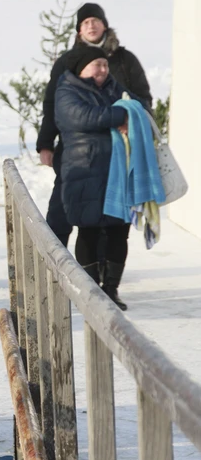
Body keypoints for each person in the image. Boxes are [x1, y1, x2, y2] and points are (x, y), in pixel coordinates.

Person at [37, 2, 152, 248]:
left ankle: (102, 267)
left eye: (95, 20)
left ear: (104, 25)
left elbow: (143, 98)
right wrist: (45, 142)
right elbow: (52, 104)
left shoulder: (124, 59)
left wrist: (133, 120)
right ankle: (52, 260)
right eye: (85, 22)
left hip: (119, 150)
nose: (91, 25)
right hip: (77, 149)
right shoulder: (68, 61)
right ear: (79, 30)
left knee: (111, 217)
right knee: (62, 209)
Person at [54, 46, 148, 311]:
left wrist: (132, 112)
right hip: (84, 172)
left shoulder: (114, 87)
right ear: (82, 68)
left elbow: (140, 106)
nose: (104, 70)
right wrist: (123, 115)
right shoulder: (67, 91)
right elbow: (84, 117)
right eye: (97, 64)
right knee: (89, 231)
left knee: (119, 232)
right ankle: (92, 290)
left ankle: (111, 289)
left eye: (105, 65)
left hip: (118, 173)